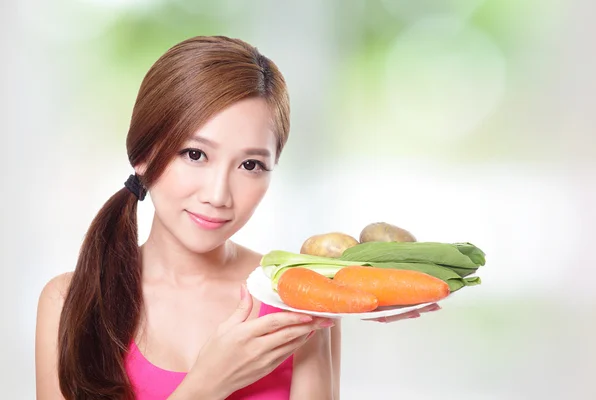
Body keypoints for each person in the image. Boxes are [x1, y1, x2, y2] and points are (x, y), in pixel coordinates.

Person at [35, 35, 439, 400]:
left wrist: (318, 319)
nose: (218, 195)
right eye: (195, 155)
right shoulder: (70, 301)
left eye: (250, 164)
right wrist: (207, 386)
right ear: (143, 156)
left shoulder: (294, 296)